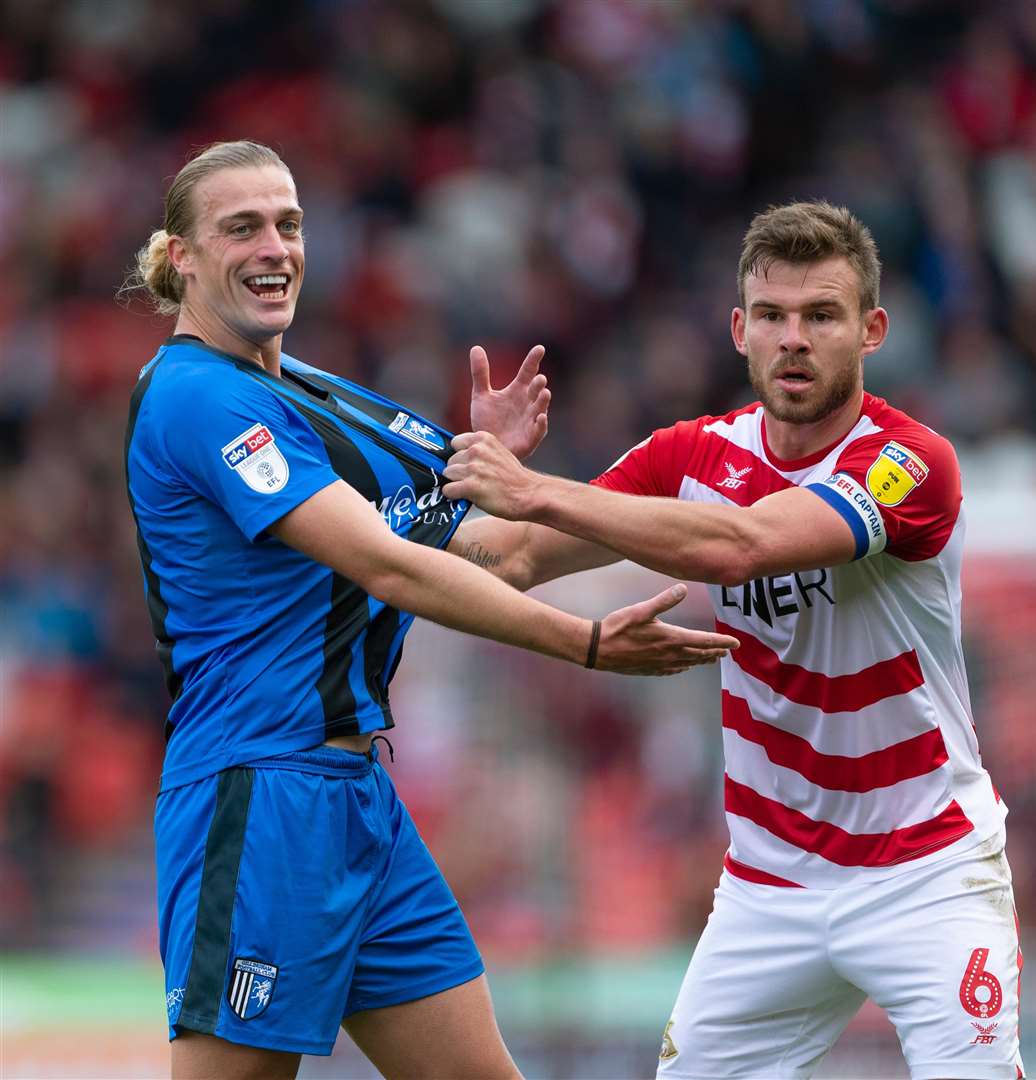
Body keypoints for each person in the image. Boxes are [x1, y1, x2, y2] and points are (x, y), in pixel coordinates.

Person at [123, 139, 738, 1080]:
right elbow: (392, 567)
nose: (273, 246)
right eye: (239, 227)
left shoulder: (319, 397)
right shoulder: (194, 397)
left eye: (288, 224)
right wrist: (581, 643)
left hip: (359, 802)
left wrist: (701, 483)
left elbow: (509, 552)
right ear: (181, 258)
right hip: (258, 798)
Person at [442, 201, 1025, 1080]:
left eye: (821, 316)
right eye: (773, 316)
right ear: (737, 330)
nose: (794, 339)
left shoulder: (909, 462)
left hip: (925, 869)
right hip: (771, 885)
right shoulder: (691, 456)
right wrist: (430, 508)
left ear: (870, 331)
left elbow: (740, 544)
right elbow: (512, 557)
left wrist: (534, 488)